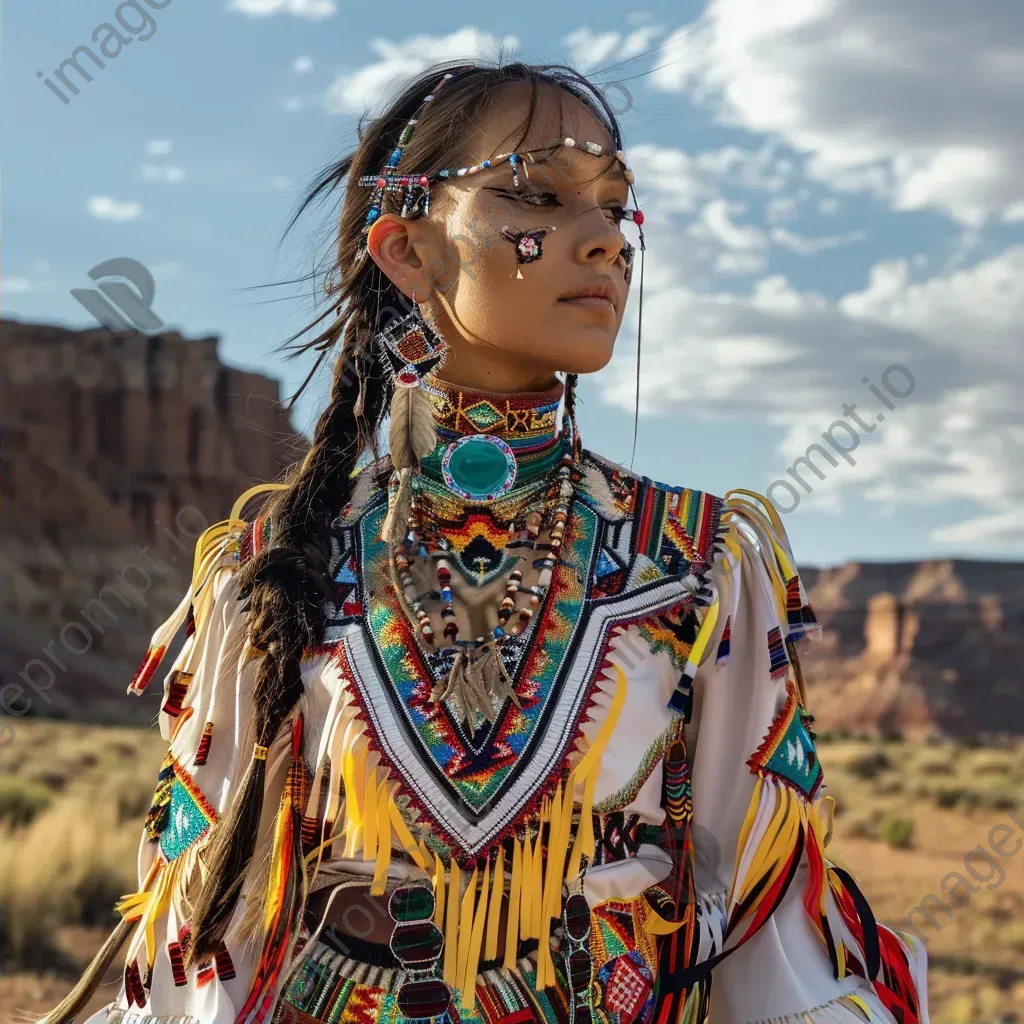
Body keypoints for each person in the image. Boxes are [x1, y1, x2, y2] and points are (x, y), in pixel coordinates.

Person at [43, 60, 929, 1024]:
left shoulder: (701, 561)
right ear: (406, 250)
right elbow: (206, 934)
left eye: (618, 207)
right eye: (538, 193)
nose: (604, 243)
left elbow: (759, 930)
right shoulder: (278, 561)